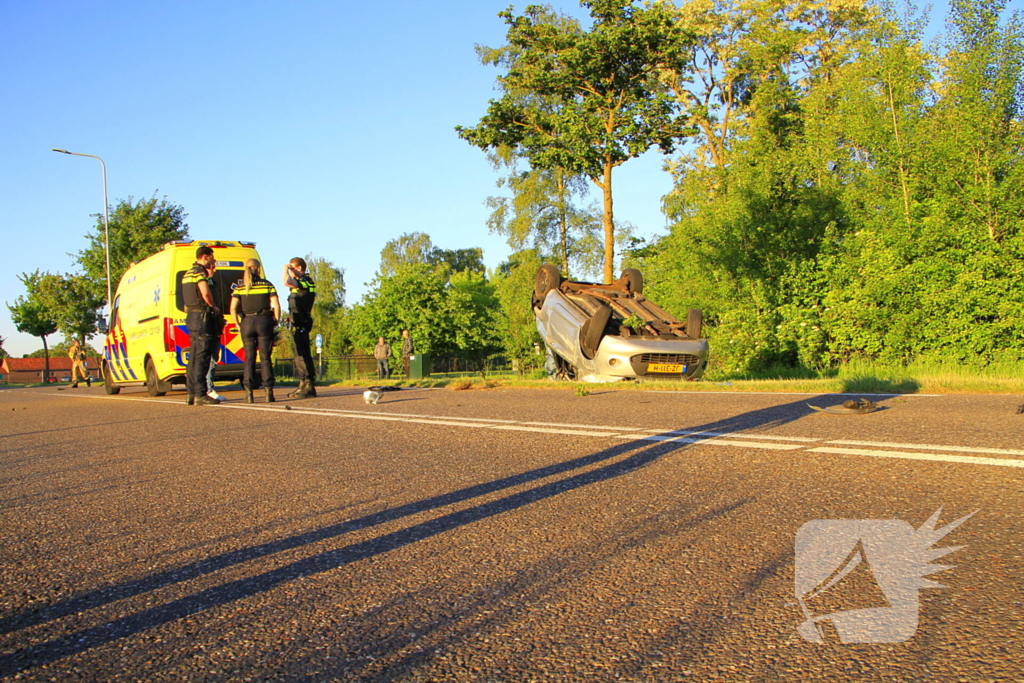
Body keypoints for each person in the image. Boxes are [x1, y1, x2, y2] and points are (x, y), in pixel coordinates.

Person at [231, 258, 281, 403]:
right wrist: (276, 320)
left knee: (249, 359)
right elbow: (276, 305)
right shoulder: (267, 284)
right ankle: (268, 391)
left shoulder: (240, 287)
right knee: (265, 358)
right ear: (258, 268)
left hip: (247, 322)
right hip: (264, 321)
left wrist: (237, 324)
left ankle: (248, 393)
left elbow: (233, 308)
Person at [182, 246, 221, 405]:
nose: (213, 260)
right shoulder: (199, 273)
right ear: (205, 257)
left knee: (194, 355)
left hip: (192, 316)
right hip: (202, 316)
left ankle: (191, 392)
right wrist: (213, 306)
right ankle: (200, 393)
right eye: (212, 257)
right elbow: (205, 292)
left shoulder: (187, 273)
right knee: (203, 356)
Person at [282, 258, 317, 399]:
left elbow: (286, 281)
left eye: (293, 267)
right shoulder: (299, 283)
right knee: (298, 354)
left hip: (303, 320)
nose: (290, 270)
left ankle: (309, 385)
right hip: (296, 321)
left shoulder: (306, 281)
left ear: (300, 267)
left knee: (303, 353)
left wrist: (285, 269)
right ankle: (302, 383)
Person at [205, 260, 227, 403]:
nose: (214, 270)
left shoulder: (213, 283)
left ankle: (206, 388)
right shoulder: (204, 282)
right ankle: (208, 389)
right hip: (208, 323)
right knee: (210, 360)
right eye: (211, 268)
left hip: (214, 323)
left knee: (213, 358)